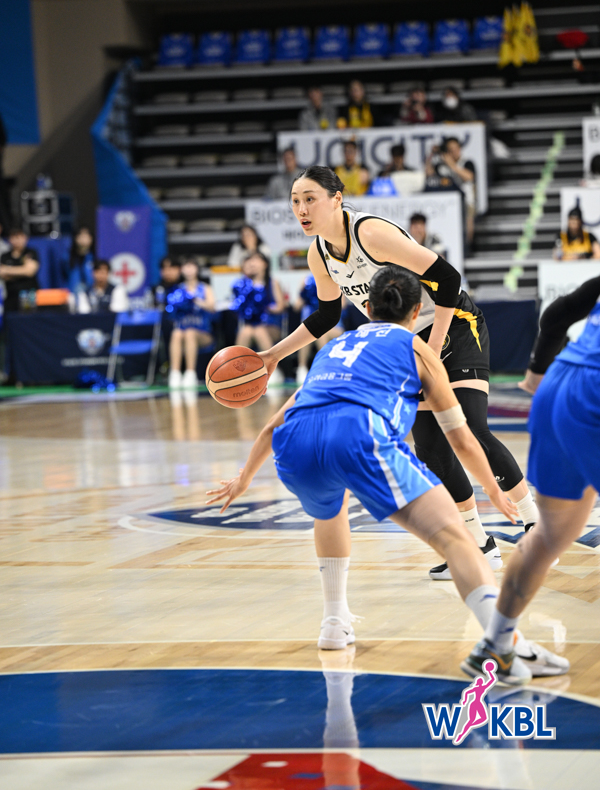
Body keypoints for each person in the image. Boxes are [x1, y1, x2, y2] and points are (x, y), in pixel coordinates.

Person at [210, 266, 552, 685]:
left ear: (367, 308)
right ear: (417, 312)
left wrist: (244, 479)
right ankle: (502, 646)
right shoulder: (418, 347)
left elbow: (272, 425)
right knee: (457, 539)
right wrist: (493, 491)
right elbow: (462, 439)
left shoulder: (333, 347)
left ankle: (334, 622)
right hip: (358, 436)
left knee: (330, 510)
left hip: (294, 448)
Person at [256, 166, 544, 587]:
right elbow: (327, 315)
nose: (301, 209)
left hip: (453, 324)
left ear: (337, 199)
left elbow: (447, 278)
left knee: (470, 426)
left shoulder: (370, 233)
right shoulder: (319, 253)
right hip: (409, 341)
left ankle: (535, 525)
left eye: (310, 199)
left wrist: (434, 346)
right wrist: (272, 355)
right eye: (295, 201)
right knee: (430, 447)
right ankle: (478, 542)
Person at [464, 274, 600, 681]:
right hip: (593, 391)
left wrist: (538, 370)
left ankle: (496, 644)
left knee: (549, 535)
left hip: (560, 383)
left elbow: (557, 314)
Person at [166, 256, 215, 389]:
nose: (189, 270)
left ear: (197, 269)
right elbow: (170, 312)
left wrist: (195, 300)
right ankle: (175, 373)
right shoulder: (177, 290)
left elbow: (212, 307)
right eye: (186, 266)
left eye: (191, 266)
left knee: (190, 333)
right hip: (182, 330)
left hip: (203, 332)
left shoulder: (205, 288)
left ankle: (190, 373)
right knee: (176, 333)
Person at [426, 137, 476, 248]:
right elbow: (428, 174)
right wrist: (431, 155)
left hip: (466, 200)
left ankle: (468, 247)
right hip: (447, 202)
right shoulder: (442, 165)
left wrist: (452, 165)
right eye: (450, 150)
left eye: (455, 149)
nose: (454, 152)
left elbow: (469, 177)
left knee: (468, 222)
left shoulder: (466, 162)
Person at [230, 252, 285, 352]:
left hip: (270, 324)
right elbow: (238, 306)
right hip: (249, 325)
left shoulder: (272, 283)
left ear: (265, 264)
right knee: (246, 331)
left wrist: (264, 307)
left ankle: (271, 361)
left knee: (259, 331)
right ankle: (239, 361)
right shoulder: (243, 284)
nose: (253, 263)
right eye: (250, 260)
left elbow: (280, 306)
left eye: (256, 260)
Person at [294, 273, 343, 384]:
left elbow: (343, 305)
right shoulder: (306, 280)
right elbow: (297, 306)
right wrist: (305, 294)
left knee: (320, 330)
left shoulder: (335, 277)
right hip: (313, 323)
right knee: (308, 333)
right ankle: (302, 368)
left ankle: (325, 366)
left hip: (335, 326)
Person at [0, 227, 40, 313]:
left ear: (25, 238)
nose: (17, 241)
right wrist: (23, 269)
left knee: (29, 317)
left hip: (29, 294)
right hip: (11, 296)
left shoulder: (31, 253)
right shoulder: (5, 256)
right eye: (14, 237)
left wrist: (7, 269)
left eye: (19, 237)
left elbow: (29, 272)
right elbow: (2, 274)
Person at [66, 226, 95, 294]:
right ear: (76, 238)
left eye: (86, 237)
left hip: (90, 293)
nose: (84, 240)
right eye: (81, 236)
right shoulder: (67, 257)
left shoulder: (94, 256)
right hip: (71, 293)